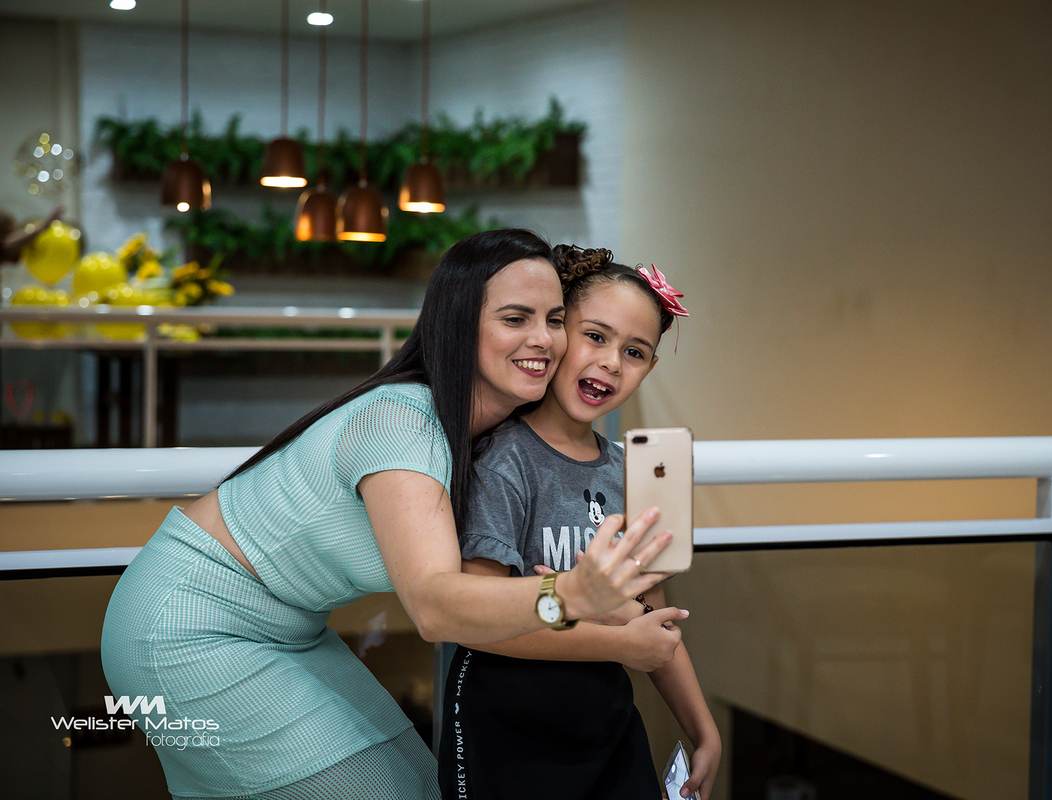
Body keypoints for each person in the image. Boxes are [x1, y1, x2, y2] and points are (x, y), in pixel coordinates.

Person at [100, 229, 672, 800]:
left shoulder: (486, 435)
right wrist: (570, 595)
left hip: (294, 629)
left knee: (417, 785)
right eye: (515, 318)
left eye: (555, 320)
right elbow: (435, 608)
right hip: (186, 626)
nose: (543, 339)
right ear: (458, 322)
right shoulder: (404, 422)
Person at [439, 245, 721, 800]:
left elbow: (652, 620)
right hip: (506, 734)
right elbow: (480, 621)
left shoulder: (637, 472)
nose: (612, 362)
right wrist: (618, 640)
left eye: (634, 352)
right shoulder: (503, 461)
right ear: (557, 333)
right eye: (595, 336)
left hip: (606, 728)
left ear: (649, 368)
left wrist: (703, 729)